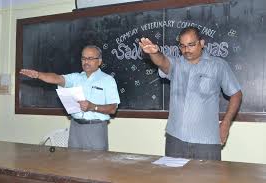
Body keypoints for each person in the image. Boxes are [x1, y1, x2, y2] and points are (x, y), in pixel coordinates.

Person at [139, 27, 242, 160]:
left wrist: (226, 123)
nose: (186, 50)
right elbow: (162, 62)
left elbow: (236, 94)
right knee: (174, 179)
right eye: (182, 46)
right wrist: (154, 53)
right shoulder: (176, 64)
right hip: (175, 139)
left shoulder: (218, 66)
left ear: (202, 43)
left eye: (191, 45)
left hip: (206, 141)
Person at [20, 45, 120, 151]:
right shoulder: (75, 78)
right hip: (75, 127)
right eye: (83, 58)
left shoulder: (108, 80)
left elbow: (113, 108)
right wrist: (39, 75)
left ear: (99, 61)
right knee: (73, 164)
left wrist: (92, 107)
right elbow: (57, 78)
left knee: (96, 165)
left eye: (90, 58)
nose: (86, 61)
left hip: (95, 128)